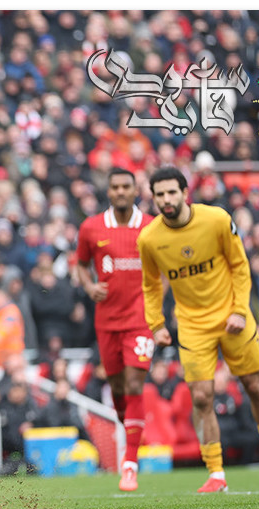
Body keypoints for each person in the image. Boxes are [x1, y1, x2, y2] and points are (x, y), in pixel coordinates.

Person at [137, 167, 259, 492]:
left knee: (253, 384)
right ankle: (216, 474)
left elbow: (239, 264)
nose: (166, 199)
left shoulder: (216, 219)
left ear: (184, 192)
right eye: (159, 194)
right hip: (192, 324)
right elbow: (151, 285)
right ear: (153, 198)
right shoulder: (149, 239)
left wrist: (239, 310)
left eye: (171, 192)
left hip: (231, 315)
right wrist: (157, 325)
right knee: (202, 396)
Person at [75, 167, 154, 491]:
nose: (121, 191)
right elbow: (80, 263)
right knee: (119, 390)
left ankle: (130, 465)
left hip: (142, 319)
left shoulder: (151, 227)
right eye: (116, 187)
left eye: (126, 186)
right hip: (107, 321)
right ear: (108, 191)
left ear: (136, 190)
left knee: (135, 383)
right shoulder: (91, 227)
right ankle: (131, 425)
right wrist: (89, 286)